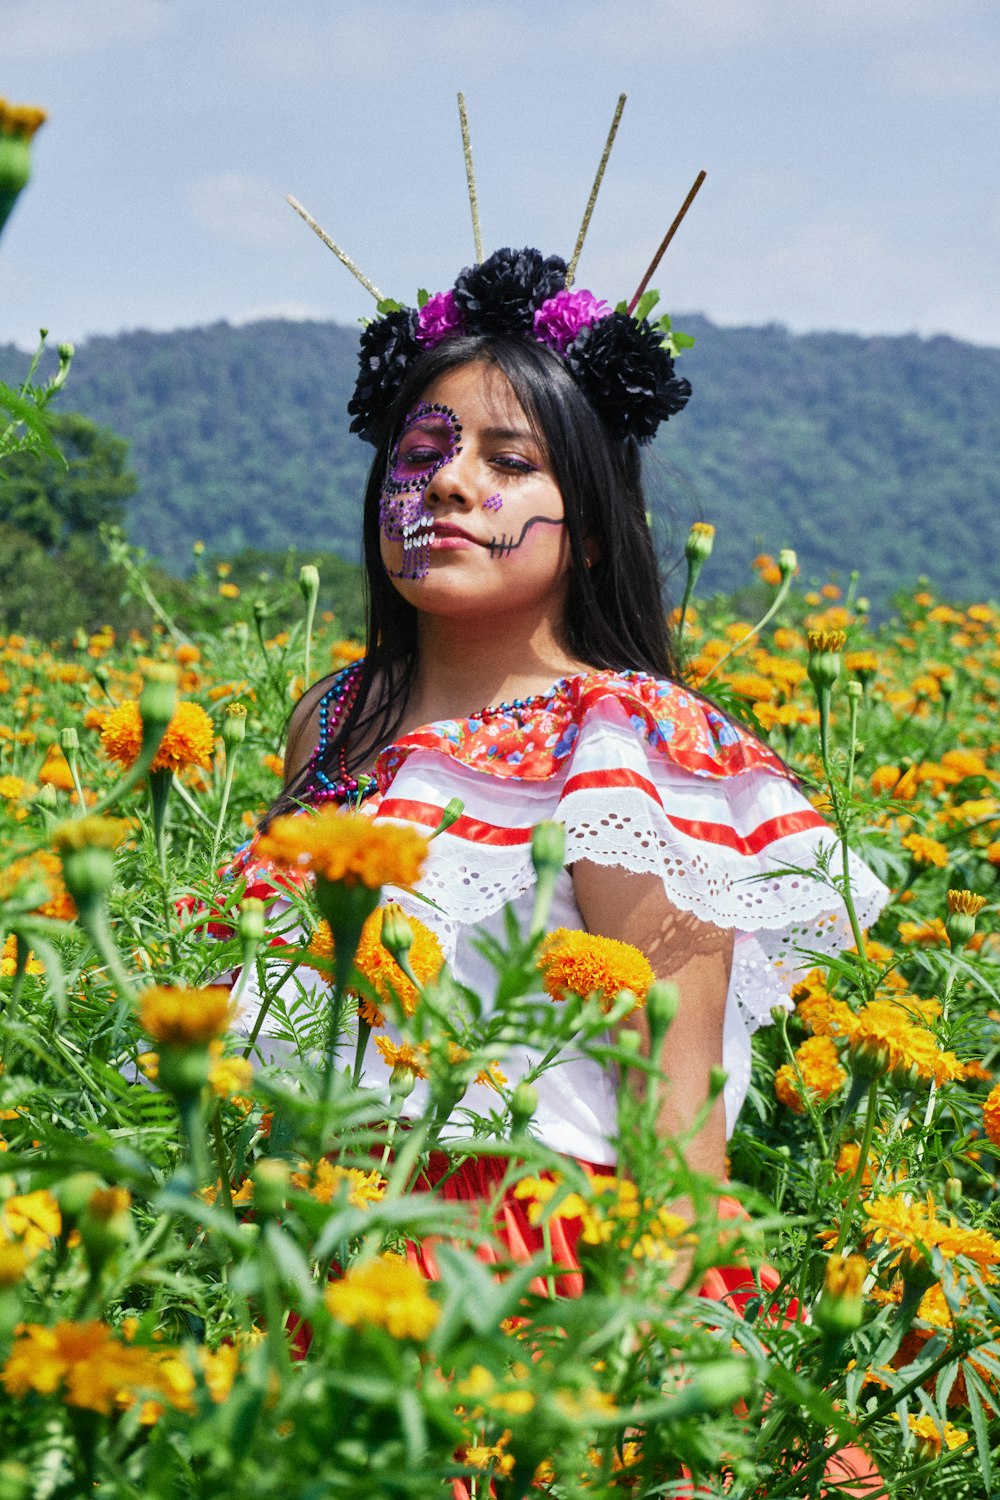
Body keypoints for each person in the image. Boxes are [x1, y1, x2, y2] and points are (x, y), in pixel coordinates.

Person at [226, 246, 888, 1222]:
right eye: (420, 454)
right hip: (292, 1219)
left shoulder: (630, 737)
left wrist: (658, 1318)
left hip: (517, 1249)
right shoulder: (332, 719)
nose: (449, 484)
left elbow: (674, 1097)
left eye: (508, 462)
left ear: (587, 528)